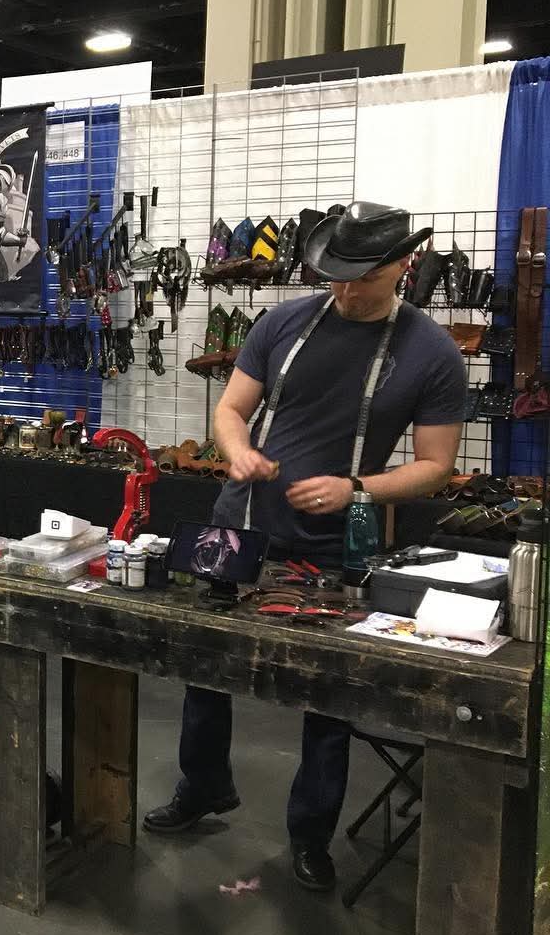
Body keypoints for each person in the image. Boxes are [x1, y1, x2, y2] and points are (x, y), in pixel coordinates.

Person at [141, 201, 467, 892]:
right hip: (242, 522)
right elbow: (231, 410)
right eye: (336, 275)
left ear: (404, 265)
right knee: (206, 664)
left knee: (329, 695)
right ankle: (203, 786)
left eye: (364, 278)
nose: (346, 291)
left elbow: (436, 466)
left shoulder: (432, 352)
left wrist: (358, 488)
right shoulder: (283, 323)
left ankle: (310, 834)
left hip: (336, 542)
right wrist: (236, 452)